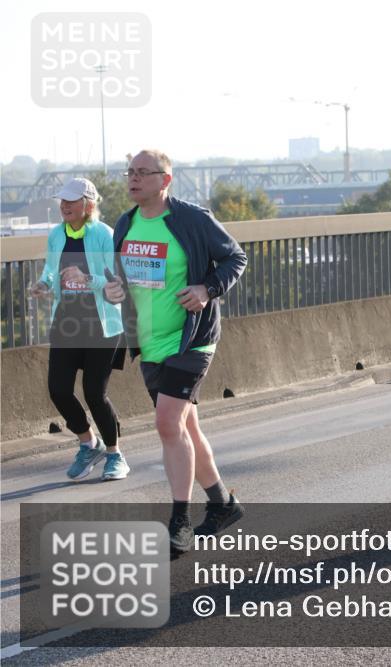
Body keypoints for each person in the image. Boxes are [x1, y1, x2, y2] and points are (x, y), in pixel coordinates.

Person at [104, 149, 248, 551]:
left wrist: (207, 288)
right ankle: (222, 504)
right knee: (186, 427)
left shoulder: (192, 219)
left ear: (165, 180)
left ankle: (179, 522)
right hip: (148, 342)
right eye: (129, 171)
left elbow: (235, 257)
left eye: (143, 173)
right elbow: (120, 281)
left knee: (168, 423)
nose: (133, 179)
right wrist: (112, 289)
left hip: (192, 339)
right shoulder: (126, 223)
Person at [29, 178, 128, 481]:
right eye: (62, 201)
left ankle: (114, 454)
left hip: (101, 322)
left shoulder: (104, 234)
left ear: (88, 204)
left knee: (94, 394)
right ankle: (89, 444)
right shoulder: (57, 234)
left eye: (71, 201)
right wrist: (44, 283)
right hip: (66, 321)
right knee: (58, 389)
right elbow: (50, 268)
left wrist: (87, 278)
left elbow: (116, 281)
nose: (64, 206)